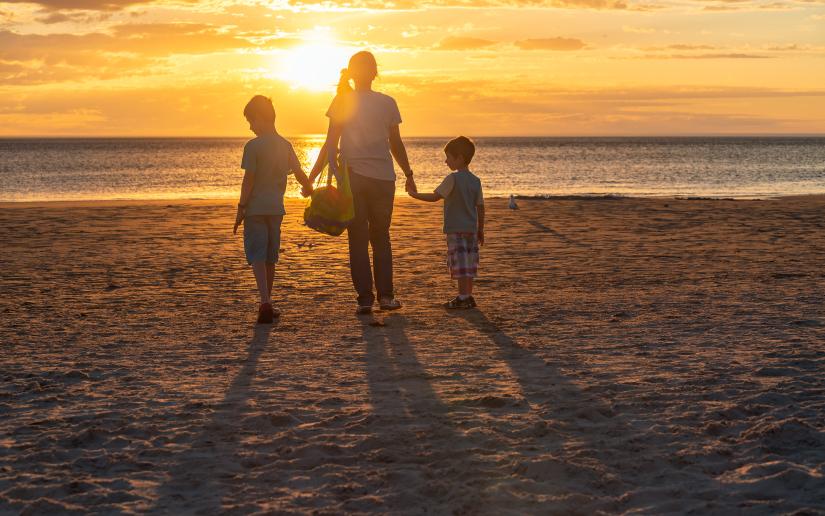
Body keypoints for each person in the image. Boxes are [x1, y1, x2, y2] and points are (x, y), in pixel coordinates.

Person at [309, 50, 417, 315]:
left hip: (354, 178)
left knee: (357, 238)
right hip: (383, 178)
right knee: (381, 237)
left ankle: (365, 300)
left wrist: (313, 177)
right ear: (375, 72)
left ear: (352, 72)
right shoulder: (388, 102)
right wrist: (409, 173)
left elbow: (330, 145)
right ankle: (387, 297)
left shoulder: (342, 101)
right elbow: (396, 144)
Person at [234, 95, 313, 324]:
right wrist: (310, 190)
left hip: (255, 209)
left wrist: (241, 208)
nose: (250, 126)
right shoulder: (285, 145)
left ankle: (265, 301)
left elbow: (248, 181)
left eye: (251, 121)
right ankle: (267, 301)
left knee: (258, 254)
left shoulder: (253, 146)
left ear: (260, 118)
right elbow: (299, 173)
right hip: (276, 209)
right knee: (270, 256)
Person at [408, 136, 484, 309]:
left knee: (460, 263)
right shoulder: (475, 181)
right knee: (469, 262)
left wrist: (414, 195)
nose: (446, 161)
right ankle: (468, 295)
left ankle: (463, 297)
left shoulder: (453, 178)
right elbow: (480, 206)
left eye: (449, 157)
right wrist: (481, 229)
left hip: (456, 229)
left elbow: (435, 196)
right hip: (471, 229)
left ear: (460, 158)